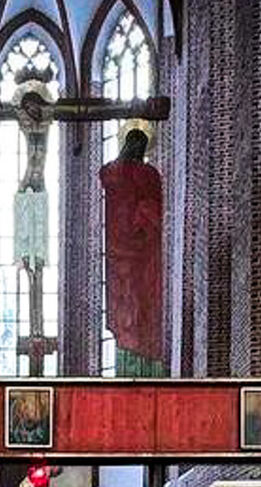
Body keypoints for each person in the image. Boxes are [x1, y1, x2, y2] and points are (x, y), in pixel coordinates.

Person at [98, 124, 167, 377]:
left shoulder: (128, 173)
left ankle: (137, 367)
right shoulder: (141, 174)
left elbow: (104, 174)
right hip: (131, 254)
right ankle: (135, 368)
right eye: (135, 143)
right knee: (132, 309)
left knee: (135, 308)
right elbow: (153, 212)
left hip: (133, 254)